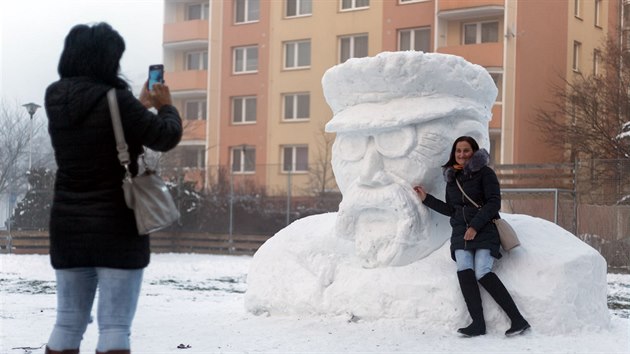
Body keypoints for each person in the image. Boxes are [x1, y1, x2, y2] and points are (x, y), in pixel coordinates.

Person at [43, 23, 182, 354]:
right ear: (106, 60)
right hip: (117, 225)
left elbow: (98, 128)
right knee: (115, 326)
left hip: (68, 225)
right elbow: (165, 136)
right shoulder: (116, 100)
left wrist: (136, 105)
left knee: (66, 322)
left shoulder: (55, 97)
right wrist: (165, 106)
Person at [414, 136, 530, 337]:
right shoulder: (452, 179)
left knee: (482, 271)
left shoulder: (485, 173)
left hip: (485, 229)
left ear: (474, 152)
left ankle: (518, 320)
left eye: (466, 150)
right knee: (464, 270)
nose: (461, 155)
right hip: (460, 232)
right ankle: (478, 324)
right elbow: (452, 209)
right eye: (458, 151)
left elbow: (494, 202)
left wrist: (475, 226)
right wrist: (427, 200)